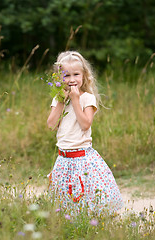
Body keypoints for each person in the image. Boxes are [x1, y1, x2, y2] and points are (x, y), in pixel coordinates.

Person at [47, 51, 123, 215]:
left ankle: (93, 221)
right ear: (59, 78)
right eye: (66, 75)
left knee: (86, 194)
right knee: (65, 198)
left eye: (76, 74)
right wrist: (62, 99)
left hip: (82, 157)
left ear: (84, 76)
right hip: (63, 157)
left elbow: (85, 124)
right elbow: (51, 124)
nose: (72, 79)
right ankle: (70, 223)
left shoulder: (87, 98)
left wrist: (75, 100)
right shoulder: (59, 99)